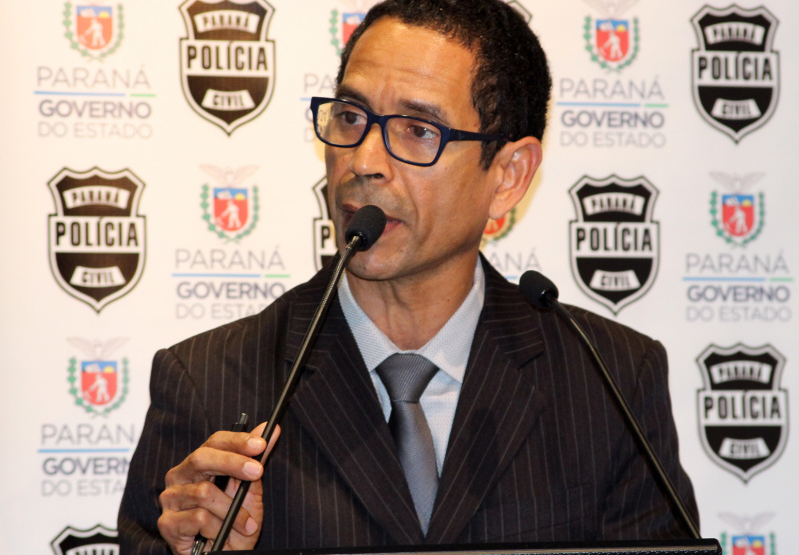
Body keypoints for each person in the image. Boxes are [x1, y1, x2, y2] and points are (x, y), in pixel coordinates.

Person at [118, 0, 698, 553]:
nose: (363, 160)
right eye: (351, 117)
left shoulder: (610, 380)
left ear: (509, 176)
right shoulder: (208, 383)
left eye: (418, 130)